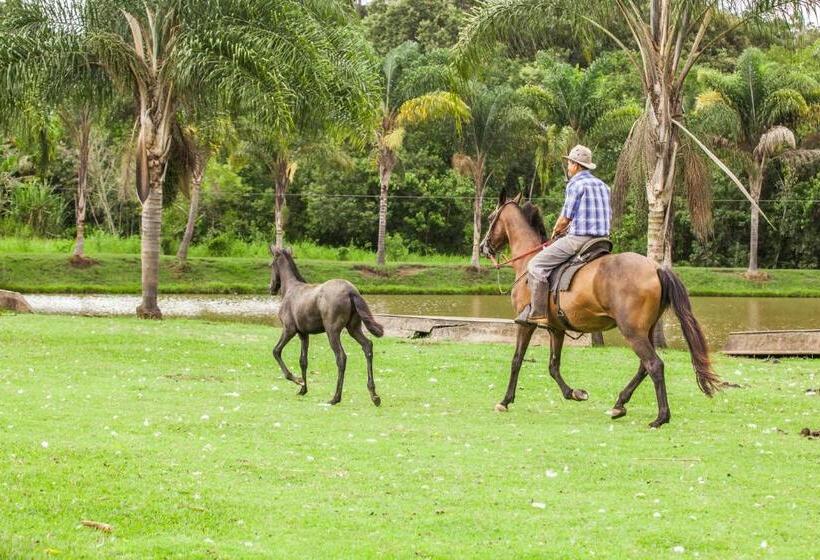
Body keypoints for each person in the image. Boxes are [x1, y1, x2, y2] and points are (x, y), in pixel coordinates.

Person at [516, 144, 611, 325]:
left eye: (569, 163)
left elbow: (565, 218)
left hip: (579, 240)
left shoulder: (576, 184)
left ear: (575, 165)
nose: (568, 167)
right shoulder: (604, 186)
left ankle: (538, 313)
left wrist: (556, 230)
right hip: (602, 241)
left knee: (536, 265)